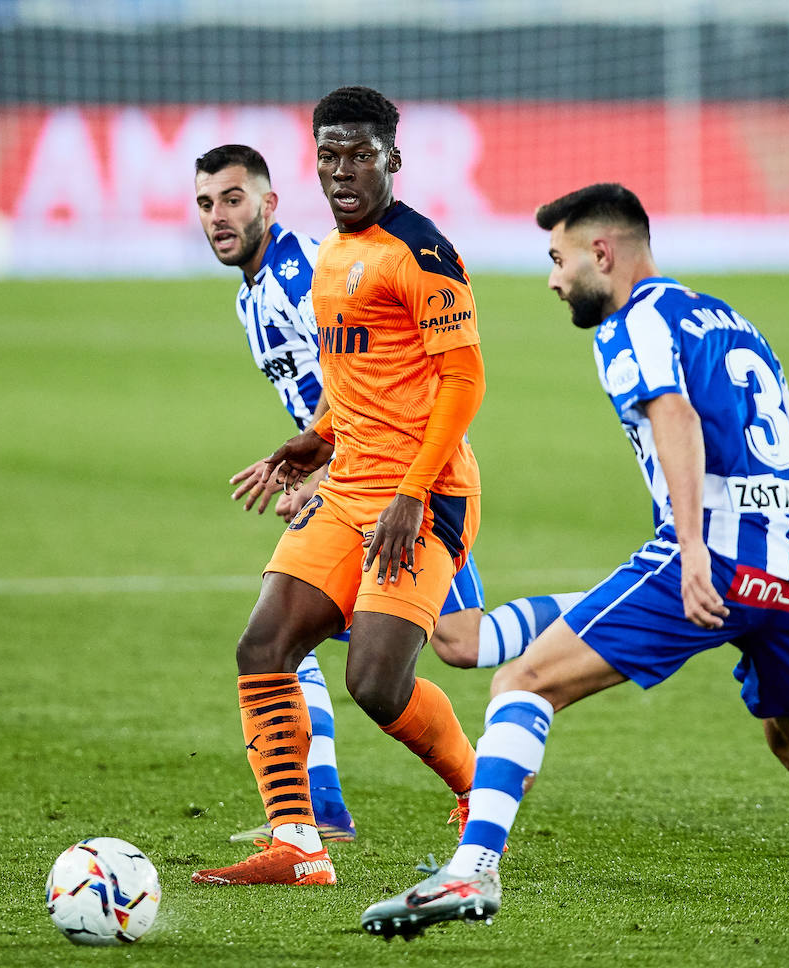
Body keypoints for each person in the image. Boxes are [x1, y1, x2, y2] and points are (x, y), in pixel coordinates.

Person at [362, 182, 789, 945]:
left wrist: (689, 553)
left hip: (710, 554)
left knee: (524, 681)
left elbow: (675, 417)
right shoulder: (735, 324)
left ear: (602, 253)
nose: (553, 280)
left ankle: (473, 867)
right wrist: (786, 569)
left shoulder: (631, 324)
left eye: (559, 259)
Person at [192, 143, 585, 847]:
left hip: (407, 483)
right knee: (287, 641)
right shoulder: (252, 293)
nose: (218, 218)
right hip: (353, 480)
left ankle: (604, 614)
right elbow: (343, 390)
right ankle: (317, 815)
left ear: (269, 203)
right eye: (205, 204)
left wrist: (331, 470)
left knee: (455, 647)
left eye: (232, 200)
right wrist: (317, 458)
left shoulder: (303, 274)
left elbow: (397, 375)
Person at [191, 85, 493, 887]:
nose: (342, 170)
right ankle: (300, 845)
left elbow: (464, 382)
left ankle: (478, 794)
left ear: (392, 157)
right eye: (329, 155)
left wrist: (411, 494)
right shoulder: (330, 254)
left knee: (375, 683)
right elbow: (354, 379)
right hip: (351, 482)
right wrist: (314, 439)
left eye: (359, 154)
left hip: (422, 498)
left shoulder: (422, 253)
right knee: (263, 646)